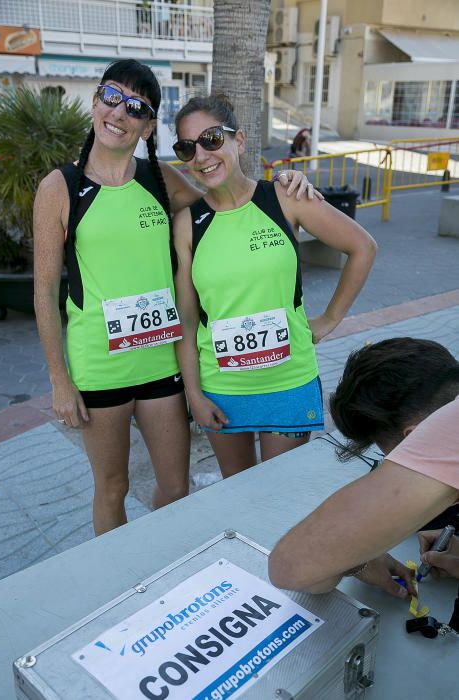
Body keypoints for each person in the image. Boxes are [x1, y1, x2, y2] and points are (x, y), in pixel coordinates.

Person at [33, 60, 317, 535]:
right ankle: (122, 582)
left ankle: (164, 569)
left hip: (162, 366)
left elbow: (225, 191)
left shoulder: (162, 180)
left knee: (176, 487)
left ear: (147, 126)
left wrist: (289, 186)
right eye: (111, 96)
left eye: (136, 107)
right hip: (99, 368)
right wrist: (59, 378)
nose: (118, 113)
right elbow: (42, 289)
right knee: (112, 487)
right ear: (95, 101)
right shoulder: (60, 187)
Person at [173, 94, 377, 479]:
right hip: (222, 386)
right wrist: (194, 395)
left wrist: (330, 318)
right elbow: (185, 321)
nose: (201, 155)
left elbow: (362, 247)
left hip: (288, 380)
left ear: (240, 140)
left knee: (279, 491)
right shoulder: (187, 223)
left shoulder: (284, 196)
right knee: (237, 491)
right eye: (188, 147)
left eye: (212, 138)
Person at [269, 337, 459, 597]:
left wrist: (356, 559)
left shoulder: (449, 433)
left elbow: (290, 568)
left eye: (395, 456)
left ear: (415, 435)